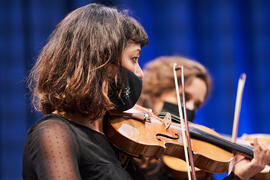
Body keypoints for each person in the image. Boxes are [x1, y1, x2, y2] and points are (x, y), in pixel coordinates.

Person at [23, 3, 148, 179]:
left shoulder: (118, 139)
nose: (140, 73)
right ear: (100, 62)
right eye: (134, 59)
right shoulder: (53, 133)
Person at [137, 56, 270, 180]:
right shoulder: (130, 149)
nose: (189, 108)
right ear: (153, 93)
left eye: (196, 105)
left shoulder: (191, 162)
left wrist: (238, 175)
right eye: (184, 97)